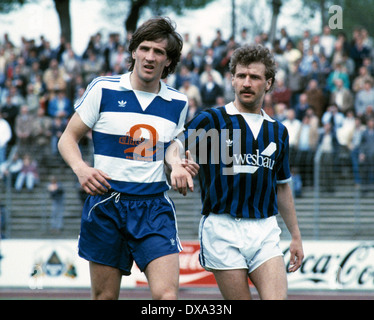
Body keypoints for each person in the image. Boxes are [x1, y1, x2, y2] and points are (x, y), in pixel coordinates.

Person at [58, 17, 197, 300]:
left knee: (167, 297)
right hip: (107, 203)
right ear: (133, 51)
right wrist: (81, 169)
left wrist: (178, 162)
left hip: (153, 207)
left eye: (159, 52)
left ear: (169, 62)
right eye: (145, 48)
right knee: (105, 297)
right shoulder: (103, 89)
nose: (150, 57)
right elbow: (67, 139)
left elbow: (171, 146)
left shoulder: (179, 102)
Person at [167, 44, 304, 300]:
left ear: (269, 83)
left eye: (255, 77)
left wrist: (295, 236)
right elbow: (175, 145)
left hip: (264, 230)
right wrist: (176, 164)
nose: (247, 83)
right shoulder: (212, 120)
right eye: (241, 76)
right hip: (222, 228)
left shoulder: (278, 131)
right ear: (232, 80)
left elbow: (283, 186)